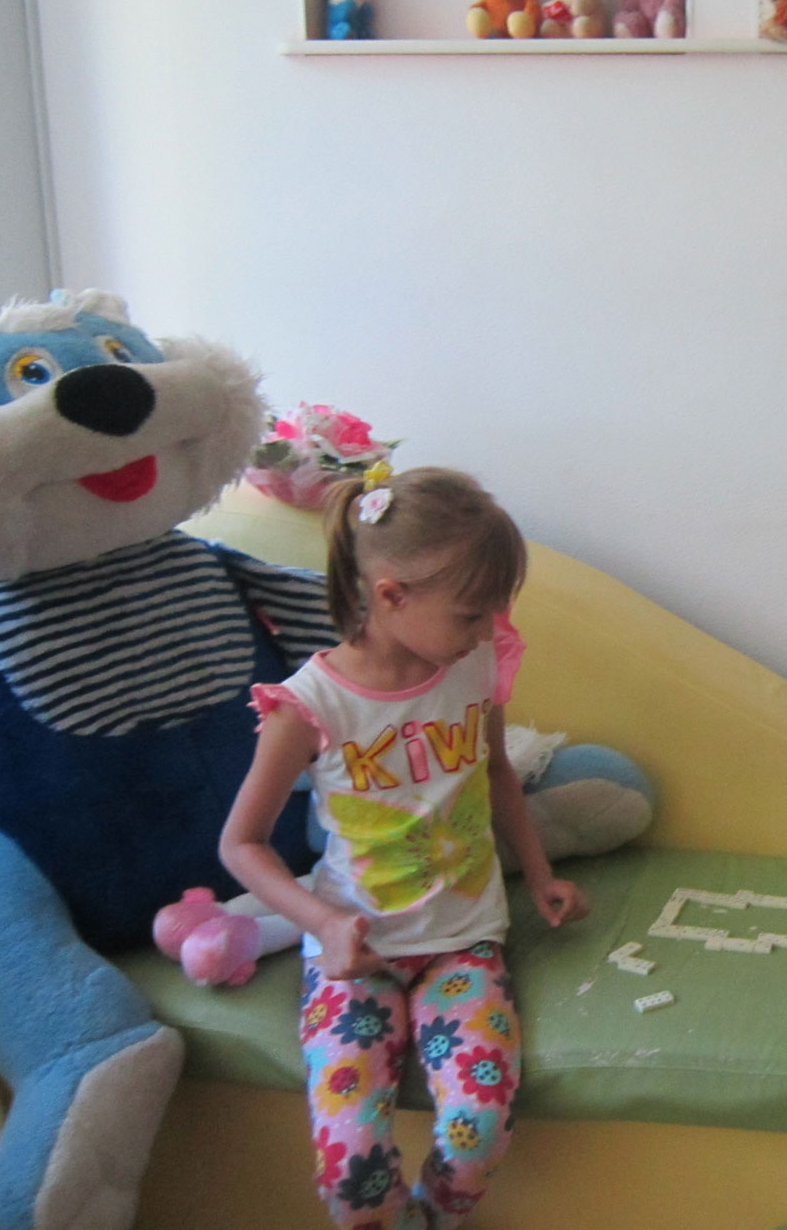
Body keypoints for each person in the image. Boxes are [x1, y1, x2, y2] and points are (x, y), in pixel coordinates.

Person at [220, 467, 587, 1228]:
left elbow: (495, 772)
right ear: (391, 596)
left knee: (478, 1129)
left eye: (494, 611)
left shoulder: (475, 665)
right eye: (471, 613)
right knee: (352, 1170)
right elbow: (242, 844)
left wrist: (540, 872)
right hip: (356, 954)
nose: (486, 631)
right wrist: (324, 924)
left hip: (465, 945)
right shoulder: (309, 706)